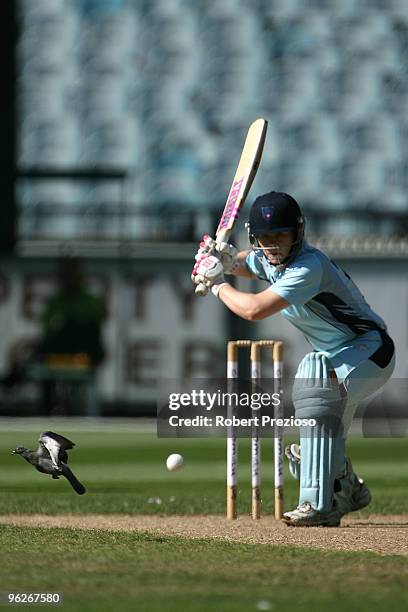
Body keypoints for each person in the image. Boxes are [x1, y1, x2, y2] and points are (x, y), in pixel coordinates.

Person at [191, 191, 395, 527]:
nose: (272, 244)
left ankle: (320, 505)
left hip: (370, 350)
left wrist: (216, 284)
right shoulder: (271, 259)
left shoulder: (307, 267)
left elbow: (254, 310)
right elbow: (248, 263)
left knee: (314, 391)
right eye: (264, 238)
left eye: (280, 235)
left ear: (297, 233)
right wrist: (225, 259)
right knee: (310, 445)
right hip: (341, 356)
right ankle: (347, 487)